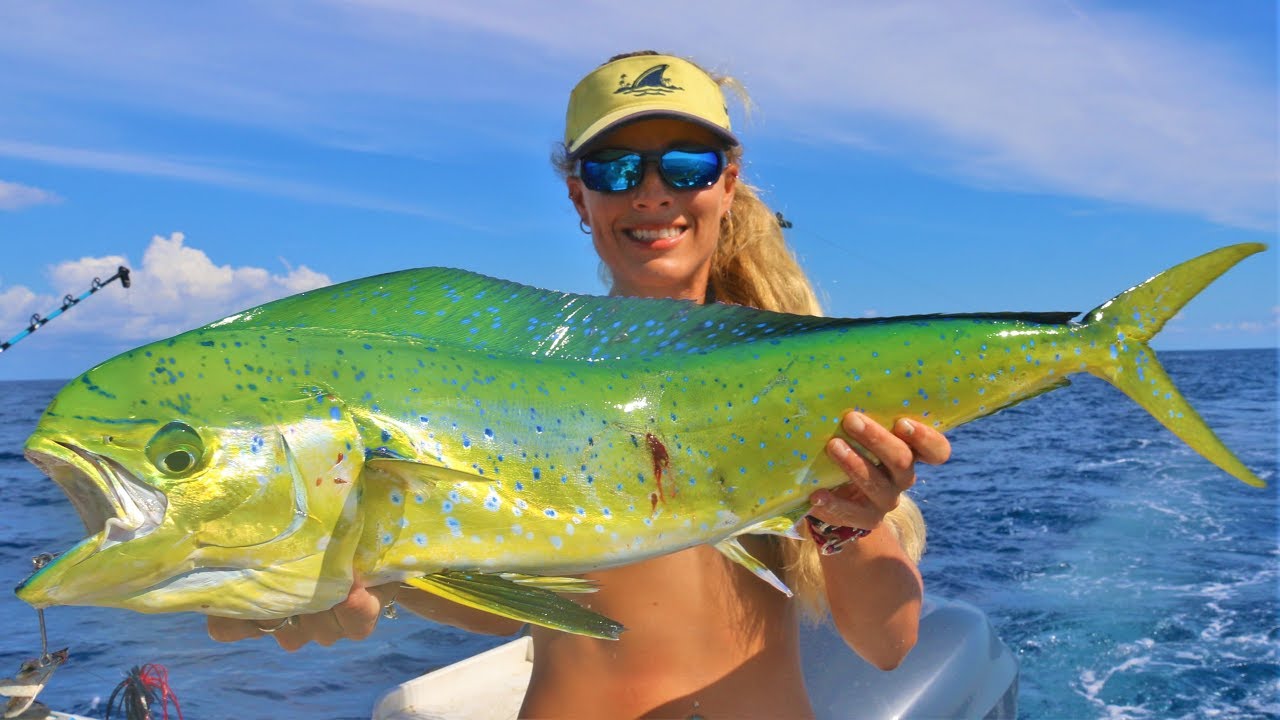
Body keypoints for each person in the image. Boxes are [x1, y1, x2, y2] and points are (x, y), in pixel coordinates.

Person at [209, 51, 952, 719]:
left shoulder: (796, 384)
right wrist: (377, 579)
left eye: (685, 166)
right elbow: (507, 607)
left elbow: (889, 642)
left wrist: (846, 515)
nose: (651, 193)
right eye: (616, 169)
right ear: (579, 198)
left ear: (727, 185)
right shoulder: (525, 382)